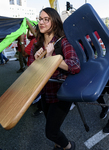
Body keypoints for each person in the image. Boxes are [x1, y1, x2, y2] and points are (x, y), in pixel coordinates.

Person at [28, 7, 80, 150]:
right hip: (45, 93)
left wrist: (52, 58)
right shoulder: (37, 44)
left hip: (61, 94)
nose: (41, 22)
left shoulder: (63, 42)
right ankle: (59, 145)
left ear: (55, 23)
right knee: (52, 126)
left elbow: (75, 66)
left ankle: (69, 146)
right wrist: (38, 62)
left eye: (46, 19)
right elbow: (31, 72)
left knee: (50, 132)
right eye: (40, 19)